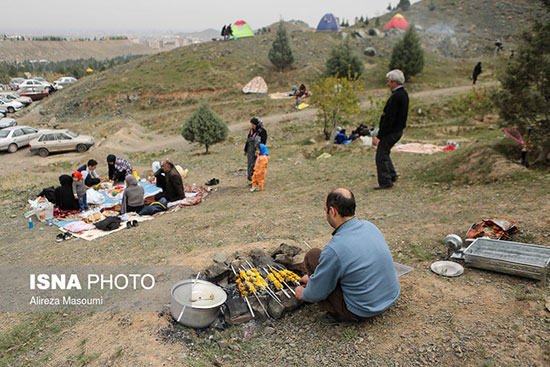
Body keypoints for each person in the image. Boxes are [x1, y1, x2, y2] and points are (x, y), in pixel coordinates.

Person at [295, 188, 400, 325]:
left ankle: (338, 314)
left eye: (325, 209)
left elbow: (317, 294)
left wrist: (303, 293)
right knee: (332, 265)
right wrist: (313, 279)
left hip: (362, 311)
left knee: (313, 256)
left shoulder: (335, 249)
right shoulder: (370, 226)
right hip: (390, 297)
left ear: (332, 211)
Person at [372, 69, 409, 190]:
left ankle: (386, 182)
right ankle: (392, 175)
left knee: (381, 155)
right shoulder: (403, 94)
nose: (387, 84)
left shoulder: (396, 97)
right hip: (397, 130)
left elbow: (389, 119)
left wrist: (379, 135)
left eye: (388, 81)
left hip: (391, 131)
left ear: (394, 82)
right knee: (385, 152)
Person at [244, 117, 267, 183]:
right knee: (250, 165)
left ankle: (257, 180)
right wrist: (245, 150)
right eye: (251, 124)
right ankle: (252, 180)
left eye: (253, 124)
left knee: (256, 166)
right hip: (250, 151)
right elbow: (247, 141)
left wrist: (258, 150)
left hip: (258, 151)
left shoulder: (262, 131)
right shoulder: (251, 131)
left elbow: (263, 142)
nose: (252, 126)